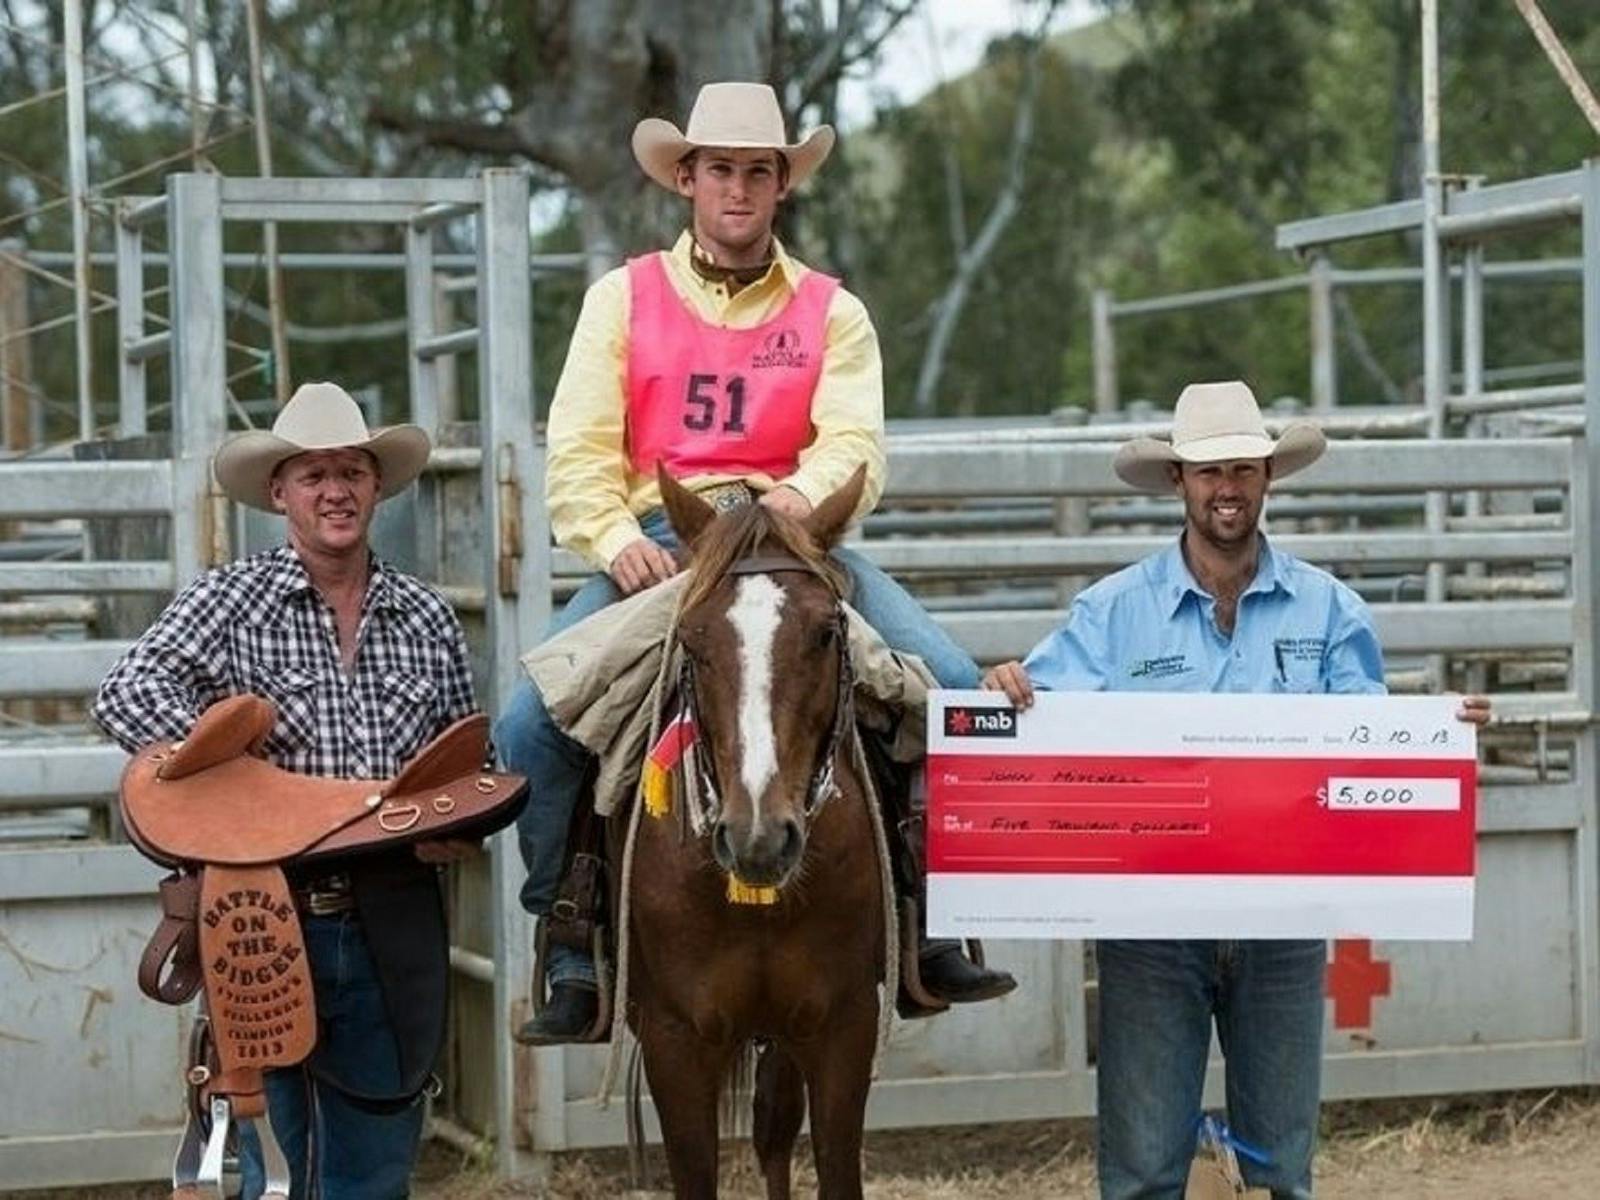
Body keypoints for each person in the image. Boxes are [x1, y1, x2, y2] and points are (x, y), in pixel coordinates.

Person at [500, 80, 1014, 1044]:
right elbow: (575, 450)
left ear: (782, 186)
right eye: (721, 169)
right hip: (663, 545)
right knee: (529, 727)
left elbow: (854, 444)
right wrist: (614, 541)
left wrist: (789, 507)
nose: (738, 187)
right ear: (686, 179)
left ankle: (931, 915)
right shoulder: (623, 298)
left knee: (949, 687)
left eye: (759, 172)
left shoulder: (832, 310)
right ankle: (569, 931)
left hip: (797, 542)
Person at [982, 380, 1492, 1200]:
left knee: (1281, 1167)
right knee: (1144, 1168)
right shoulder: (1111, 614)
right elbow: (1037, 724)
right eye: (1210, 471)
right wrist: (1005, 688)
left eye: (1245, 470)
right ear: (1180, 483)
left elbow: (1366, 742)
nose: (1228, 488)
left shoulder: (1331, 612)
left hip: (1283, 925)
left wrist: (1437, 732)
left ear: (1267, 481)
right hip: (1151, 927)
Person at [93, 382, 480, 1200]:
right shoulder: (230, 600)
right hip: (271, 914)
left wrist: (461, 818)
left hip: (396, 903)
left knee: (379, 1154)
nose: (335, 491)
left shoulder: (426, 616)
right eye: (313, 475)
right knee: (289, 1163)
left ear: (377, 486)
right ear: (280, 493)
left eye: (352, 472)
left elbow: (461, 754)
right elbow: (124, 691)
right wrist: (221, 767)